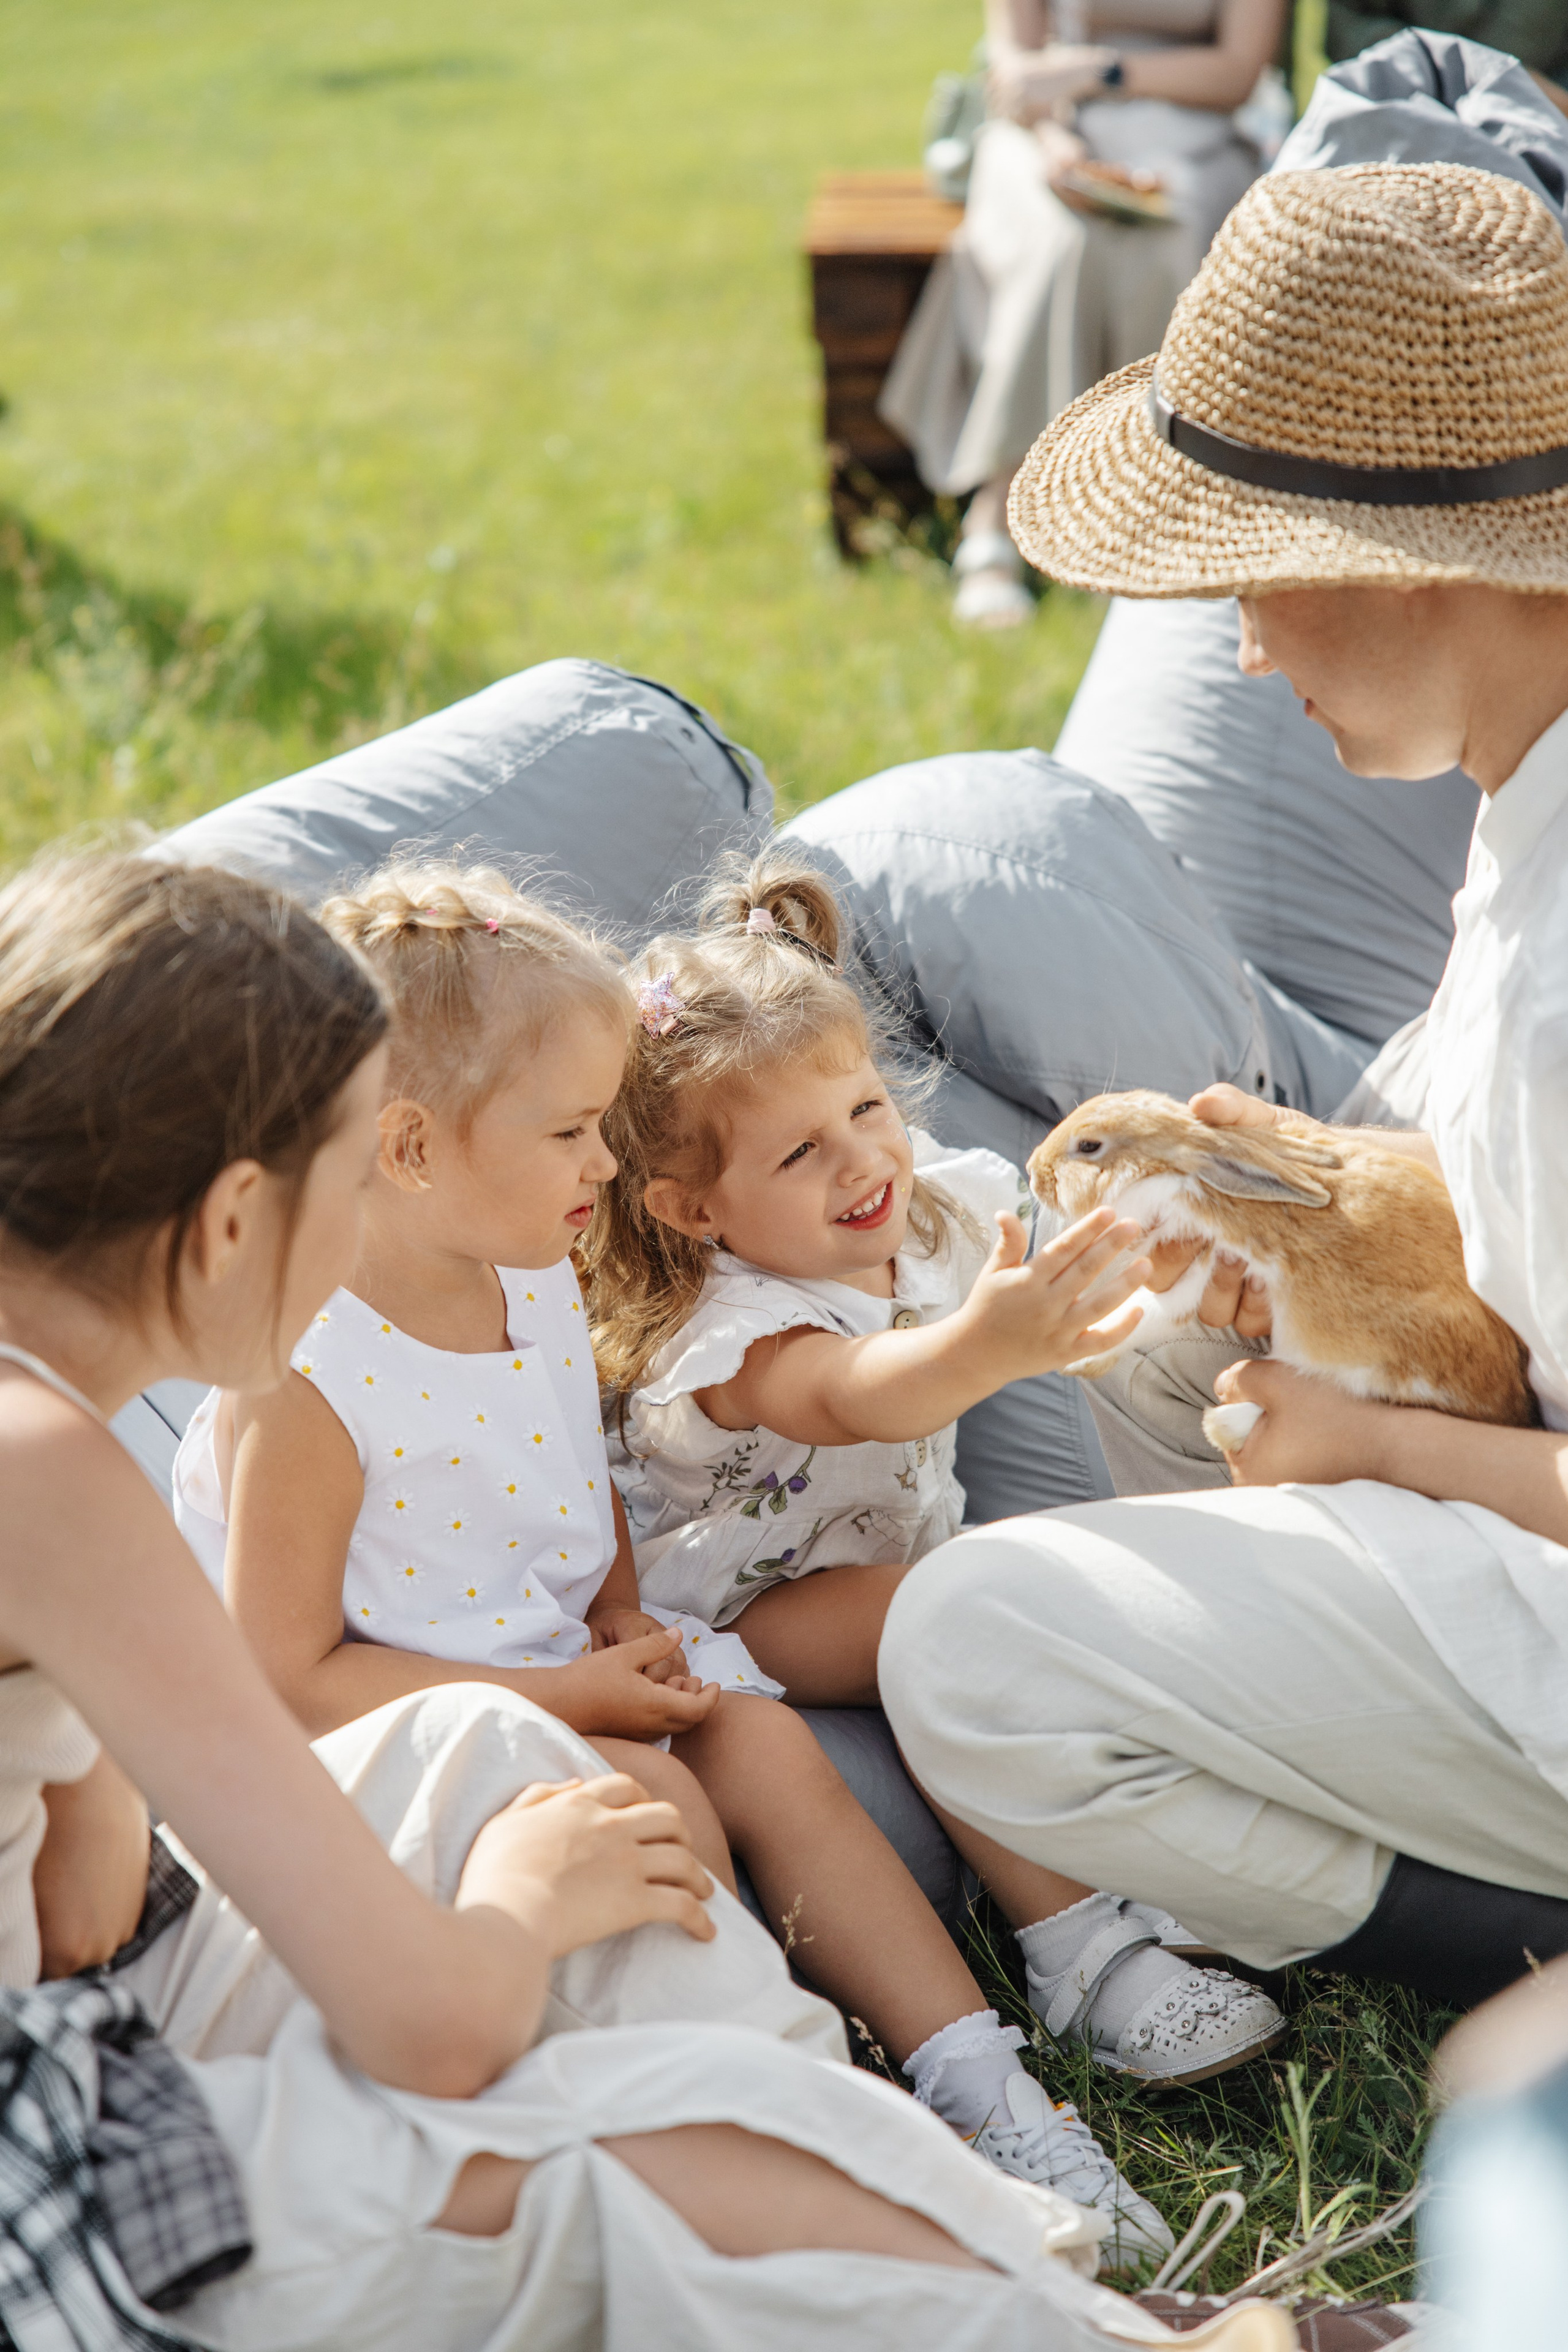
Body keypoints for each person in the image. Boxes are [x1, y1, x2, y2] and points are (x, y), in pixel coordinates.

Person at [0, 845, 1194, 2350]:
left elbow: (81, 1909)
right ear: (239, 1213)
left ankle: (945, 2223)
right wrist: (517, 1908)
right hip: (54, 2178)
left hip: (92, 2001)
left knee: (505, 1760)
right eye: (338, 1176)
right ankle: (1016, 2292)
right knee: (607, 2153)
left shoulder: (50, 1436)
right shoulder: (45, 1464)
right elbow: (430, 2027)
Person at [881, 160, 1568, 2007]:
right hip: (1507, 1421)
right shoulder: (1525, 792)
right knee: (1153, 1335)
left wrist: (1377, 1446)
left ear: (1425, 562)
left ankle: (1505, 1939)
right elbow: (1468, 1169)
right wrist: (1266, 1197)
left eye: (1254, 579)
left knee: (965, 1641)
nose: (1241, 647)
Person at [588, 846, 1283, 2086]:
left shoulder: (935, 1213)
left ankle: (1156, 1856)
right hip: (745, 1612)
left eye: (864, 1109)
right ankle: (1077, 1951)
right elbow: (851, 1397)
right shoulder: (728, 1337)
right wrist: (986, 1343)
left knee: (1028, 1606)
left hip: (899, 1560)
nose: (861, 1162)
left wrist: (1168, 1277)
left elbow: (1074, 1282)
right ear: (696, 1212)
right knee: (957, 1623)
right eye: (797, 1154)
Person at [880, 0, 1284, 627]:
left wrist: (1101, 71)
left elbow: (1236, 72)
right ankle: (1003, 497)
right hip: (1045, 129)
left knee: (1168, 243)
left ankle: (1142, 505)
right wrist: (1056, 142)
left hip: (1192, 131)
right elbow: (1013, 65)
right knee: (1058, 246)